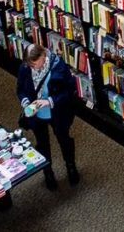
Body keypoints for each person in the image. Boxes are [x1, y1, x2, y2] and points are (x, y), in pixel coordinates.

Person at [16, 43, 80, 189]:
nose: (33, 68)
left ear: (43, 56)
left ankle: (71, 166)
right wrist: (26, 103)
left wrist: (49, 101)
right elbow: (20, 89)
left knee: (63, 139)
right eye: (30, 65)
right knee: (42, 142)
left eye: (35, 65)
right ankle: (48, 172)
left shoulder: (58, 67)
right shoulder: (25, 68)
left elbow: (69, 91)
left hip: (56, 112)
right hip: (36, 114)